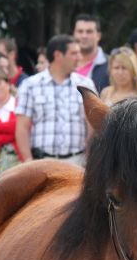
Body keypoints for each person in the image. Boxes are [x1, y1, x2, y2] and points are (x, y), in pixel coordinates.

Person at [15, 34, 96, 165]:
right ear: (58, 55)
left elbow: (92, 125)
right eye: (74, 53)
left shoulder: (86, 85)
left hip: (77, 162)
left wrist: (89, 158)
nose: (79, 57)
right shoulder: (30, 85)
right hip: (42, 162)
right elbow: (22, 127)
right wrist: (28, 161)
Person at [73, 14, 109, 92]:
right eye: (80, 31)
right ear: (74, 34)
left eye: (89, 32)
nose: (84, 36)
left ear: (98, 36)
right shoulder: (63, 64)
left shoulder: (111, 65)